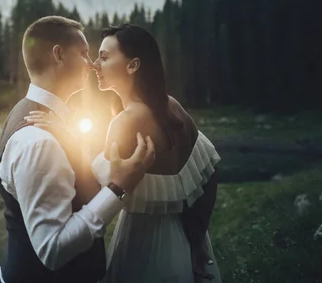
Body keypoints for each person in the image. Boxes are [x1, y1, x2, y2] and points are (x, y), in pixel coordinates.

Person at [26, 24, 222, 283]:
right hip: (182, 238)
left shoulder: (125, 122)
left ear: (132, 65)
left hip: (143, 246)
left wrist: (65, 137)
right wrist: (196, 240)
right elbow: (209, 174)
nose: (94, 65)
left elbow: (98, 188)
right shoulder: (172, 106)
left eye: (104, 57)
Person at [0, 16, 156, 283]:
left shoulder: (27, 112)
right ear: (58, 55)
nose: (92, 64)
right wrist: (117, 188)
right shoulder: (39, 142)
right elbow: (53, 250)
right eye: (83, 54)